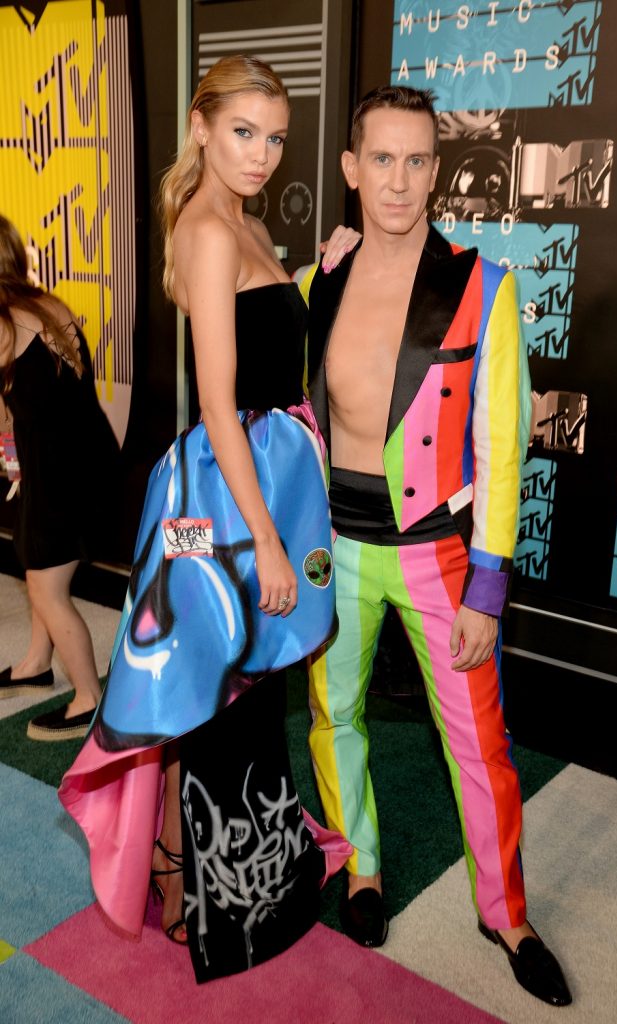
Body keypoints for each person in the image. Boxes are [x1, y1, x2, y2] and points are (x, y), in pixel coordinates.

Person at [60, 56, 353, 982]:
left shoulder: (245, 220)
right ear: (199, 125)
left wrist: (315, 275)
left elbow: (264, 334)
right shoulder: (208, 228)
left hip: (246, 487)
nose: (262, 153)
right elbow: (222, 404)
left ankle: (207, 872)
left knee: (225, 689)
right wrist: (266, 540)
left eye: (273, 137)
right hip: (222, 503)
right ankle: (200, 887)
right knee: (218, 692)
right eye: (243, 133)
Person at [303, 86, 572, 1008]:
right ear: (350, 169)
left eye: (419, 160)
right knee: (334, 719)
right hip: (331, 546)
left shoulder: (483, 286)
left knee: (480, 746)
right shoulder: (318, 282)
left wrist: (488, 586)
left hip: (436, 553)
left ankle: (506, 914)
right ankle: (362, 867)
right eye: (382, 159)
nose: (400, 180)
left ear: (436, 171)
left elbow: (503, 447)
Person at [0, 214, 119, 741]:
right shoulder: (45, 303)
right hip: (83, 461)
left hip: (59, 474)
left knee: (49, 588)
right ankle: (35, 662)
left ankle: (90, 698)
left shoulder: (4, 318)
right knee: (35, 565)